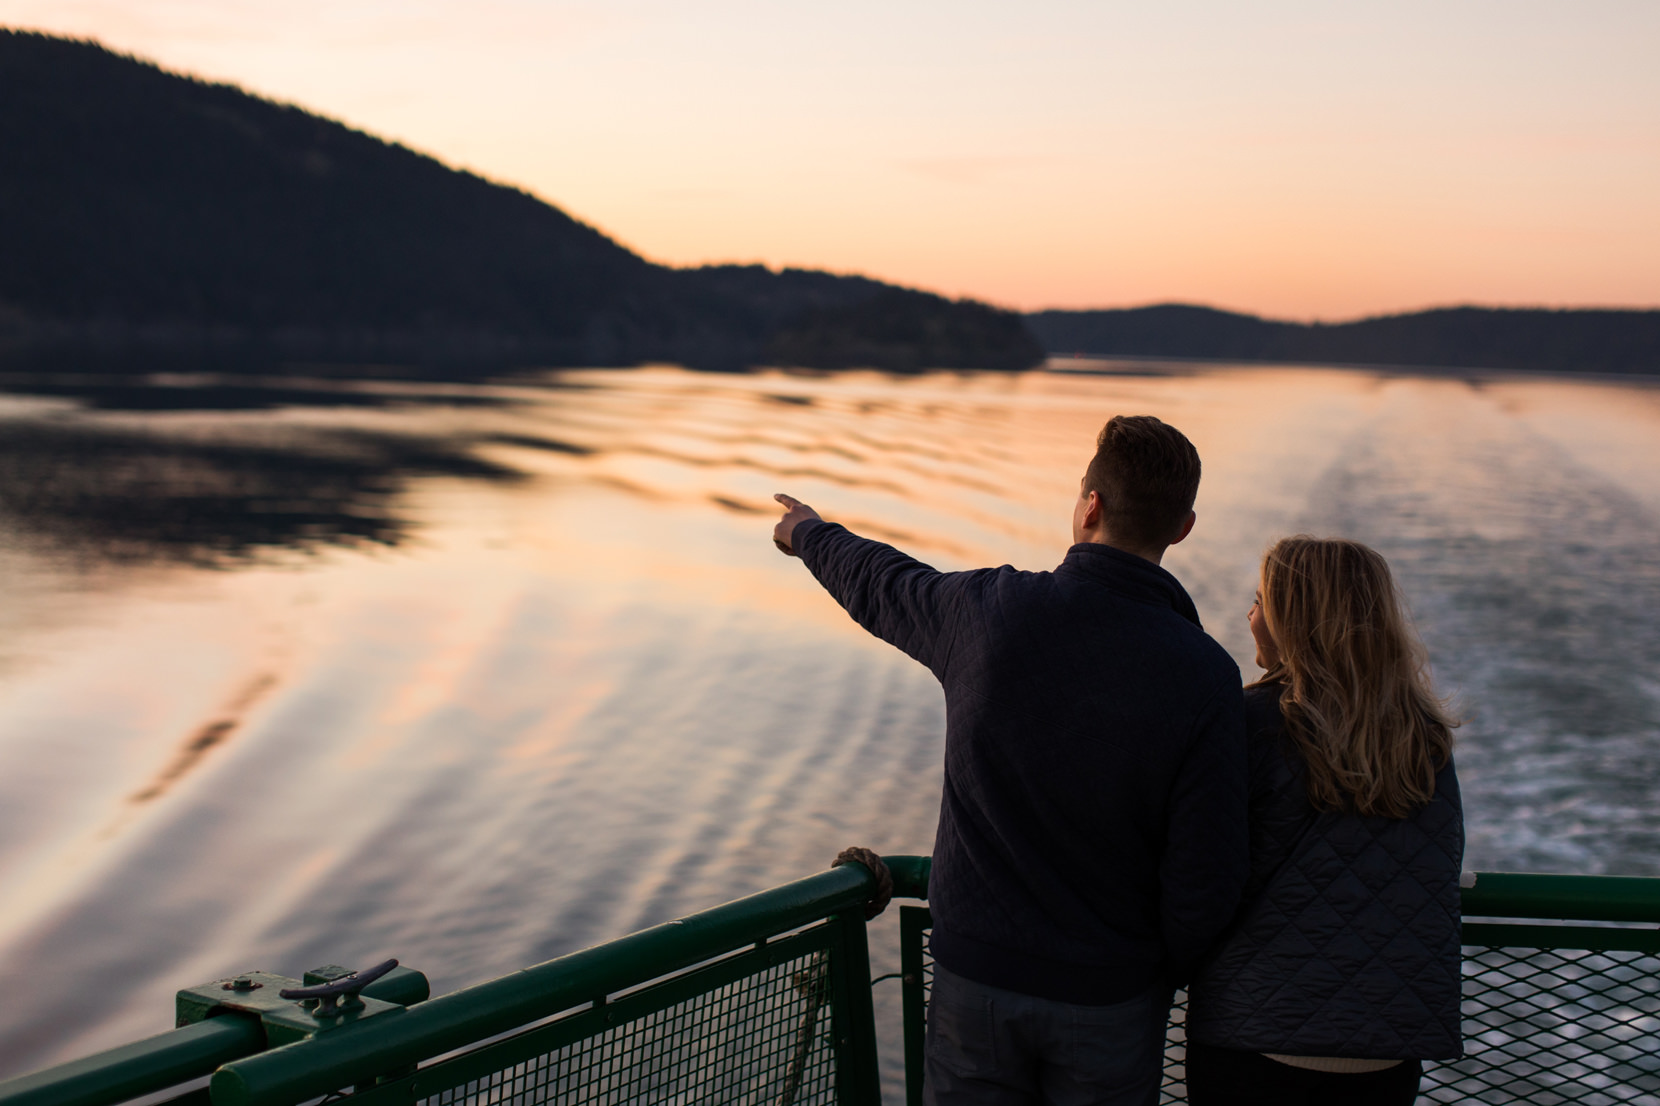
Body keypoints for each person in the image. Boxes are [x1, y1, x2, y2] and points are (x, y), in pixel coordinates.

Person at [772, 415, 1249, 1106]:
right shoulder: (1207, 676)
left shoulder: (988, 612)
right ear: (1183, 528)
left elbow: (884, 582)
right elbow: (1207, 875)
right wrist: (1149, 969)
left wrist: (809, 534)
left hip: (976, 984)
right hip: (1111, 1000)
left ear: (1091, 506)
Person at [1184, 537, 1464, 1106]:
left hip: (1258, 1033)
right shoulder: (1424, 736)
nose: (1250, 616)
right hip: (1386, 1046)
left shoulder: (1250, 723)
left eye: (1260, 602)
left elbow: (1204, 870)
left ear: (1294, 622)